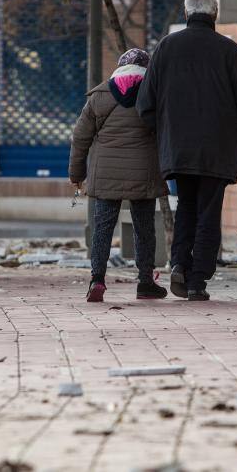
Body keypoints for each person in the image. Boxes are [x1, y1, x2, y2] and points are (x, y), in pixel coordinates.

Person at [136, 0, 237, 301]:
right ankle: (197, 281)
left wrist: (164, 134)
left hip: (178, 148)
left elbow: (145, 103)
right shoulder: (231, 52)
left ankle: (179, 262)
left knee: (187, 207)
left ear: (187, 12)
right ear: (214, 14)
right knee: (208, 212)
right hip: (218, 148)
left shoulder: (166, 48)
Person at [69, 48, 168, 302]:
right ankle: (145, 281)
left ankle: (97, 280)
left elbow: (80, 138)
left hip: (106, 174)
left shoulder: (99, 96)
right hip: (143, 172)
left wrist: (76, 174)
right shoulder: (155, 92)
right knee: (144, 228)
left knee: (102, 227)